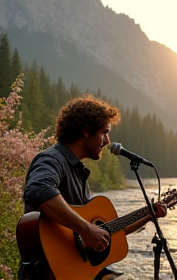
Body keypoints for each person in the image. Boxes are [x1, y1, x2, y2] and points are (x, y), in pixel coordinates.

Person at [18, 95, 167, 280]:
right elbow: (37, 190)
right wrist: (86, 230)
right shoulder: (52, 159)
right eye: (104, 132)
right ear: (87, 131)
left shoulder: (77, 171)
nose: (107, 141)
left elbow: (106, 232)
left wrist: (149, 215)